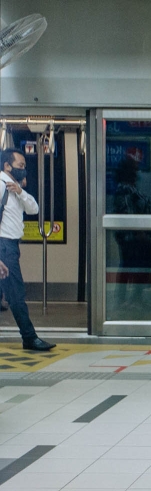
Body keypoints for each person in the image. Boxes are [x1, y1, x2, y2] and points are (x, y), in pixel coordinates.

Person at [0, 149, 55, 352]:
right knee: (15, 294)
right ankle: (29, 337)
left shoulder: (13, 188)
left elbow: (34, 209)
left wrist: (20, 191)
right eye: (20, 165)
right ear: (7, 166)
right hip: (3, 247)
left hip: (10, 246)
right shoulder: (1, 185)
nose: (23, 170)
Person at [112, 157, 151, 310]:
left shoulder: (130, 187)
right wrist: (139, 231)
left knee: (132, 264)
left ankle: (133, 297)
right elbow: (128, 212)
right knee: (133, 264)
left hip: (135, 235)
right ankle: (130, 299)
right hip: (132, 236)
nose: (138, 171)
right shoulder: (124, 189)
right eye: (135, 168)